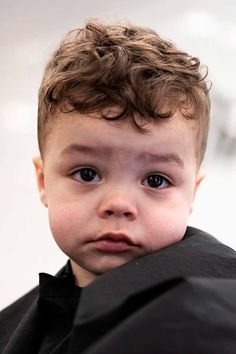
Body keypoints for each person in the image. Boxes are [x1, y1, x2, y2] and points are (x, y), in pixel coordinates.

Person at [1, 19, 236, 354]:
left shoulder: (219, 324)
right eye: (87, 174)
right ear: (43, 181)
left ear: (192, 194)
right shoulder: (14, 329)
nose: (119, 203)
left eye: (155, 180)